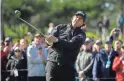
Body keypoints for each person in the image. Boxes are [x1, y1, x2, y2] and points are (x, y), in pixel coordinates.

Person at [45, 11, 86, 81]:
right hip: (52, 63)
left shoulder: (81, 35)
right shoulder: (60, 27)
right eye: (76, 17)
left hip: (67, 67)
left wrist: (57, 40)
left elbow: (71, 45)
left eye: (80, 19)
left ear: (83, 23)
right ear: (72, 18)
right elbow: (50, 41)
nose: (77, 19)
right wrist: (49, 41)